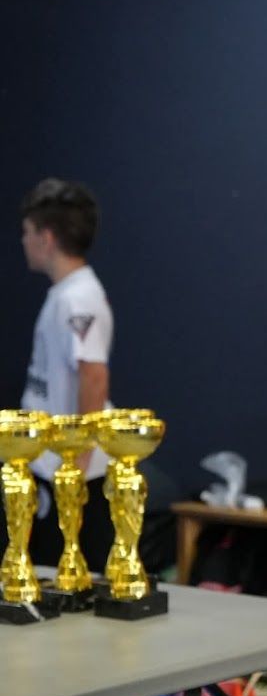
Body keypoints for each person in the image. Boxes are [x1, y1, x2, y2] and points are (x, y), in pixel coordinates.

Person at [19, 177, 115, 572]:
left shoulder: (79, 297)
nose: (23, 241)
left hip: (74, 477)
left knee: (73, 587)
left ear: (48, 236)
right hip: (53, 468)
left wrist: (74, 467)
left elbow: (93, 376)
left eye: (27, 232)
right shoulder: (64, 294)